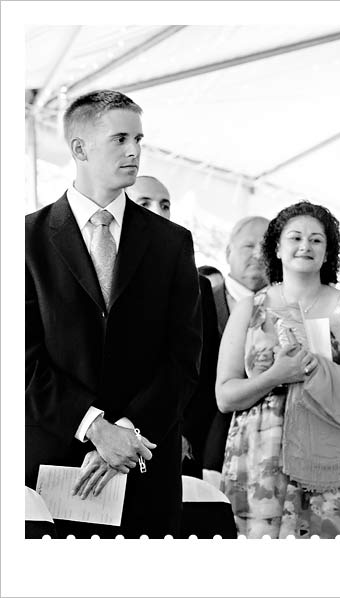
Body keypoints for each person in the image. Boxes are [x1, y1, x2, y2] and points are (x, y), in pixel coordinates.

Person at [25, 90, 202, 538]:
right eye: (120, 138)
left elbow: (184, 356)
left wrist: (125, 432)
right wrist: (95, 428)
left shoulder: (172, 243)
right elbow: (20, 358)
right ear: (79, 148)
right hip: (56, 464)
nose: (134, 151)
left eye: (139, 139)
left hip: (145, 463)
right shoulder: (24, 240)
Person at [215, 201, 340, 538]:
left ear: (328, 252)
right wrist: (277, 375)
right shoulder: (250, 307)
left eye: (317, 240)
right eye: (295, 237)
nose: (305, 245)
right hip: (261, 454)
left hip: (333, 448)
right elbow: (224, 396)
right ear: (276, 247)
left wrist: (315, 369)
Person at [126, 175, 220, 480]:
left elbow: (203, 370)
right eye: (145, 202)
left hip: (171, 439)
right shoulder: (100, 275)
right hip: (103, 436)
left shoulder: (198, 285)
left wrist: (186, 434)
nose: (159, 211)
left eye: (166, 205)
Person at [200, 215, 269, 484]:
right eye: (248, 246)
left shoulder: (284, 309)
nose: (258, 254)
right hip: (198, 444)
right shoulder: (198, 297)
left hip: (261, 447)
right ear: (228, 251)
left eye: (266, 247)